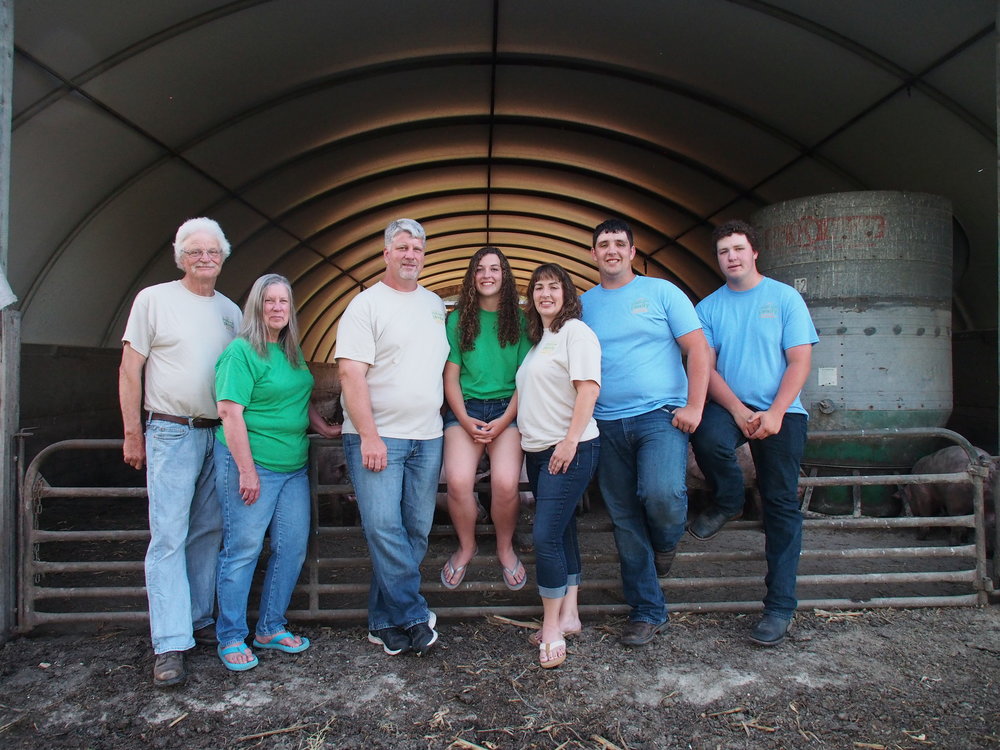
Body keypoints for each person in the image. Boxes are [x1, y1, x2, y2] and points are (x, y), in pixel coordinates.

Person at [119, 217, 242, 687]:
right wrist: (133, 432)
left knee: (208, 530)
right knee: (168, 535)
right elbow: (131, 368)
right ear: (180, 257)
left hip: (218, 434)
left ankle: (196, 619)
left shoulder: (230, 311)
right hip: (170, 430)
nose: (205, 258)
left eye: (212, 251)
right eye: (195, 252)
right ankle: (169, 644)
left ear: (223, 257)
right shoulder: (154, 300)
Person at [581, 218, 710, 647]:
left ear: (633, 252)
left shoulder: (663, 292)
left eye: (620, 243)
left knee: (663, 494)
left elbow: (697, 349)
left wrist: (695, 405)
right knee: (623, 518)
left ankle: (668, 541)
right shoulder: (583, 305)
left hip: (661, 415)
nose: (611, 250)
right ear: (594, 254)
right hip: (605, 421)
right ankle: (647, 609)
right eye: (604, 244)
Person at [688, 219, 817, 646]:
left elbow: (799, 361)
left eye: (738, 249)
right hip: (733, 405)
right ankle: (728, 499)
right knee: (706, 438)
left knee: (780, 505)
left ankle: (779, 607)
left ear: (754, 252)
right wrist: (739, 410)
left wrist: (776, 412)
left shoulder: (784, 298)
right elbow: (706, 368)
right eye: (724, 251)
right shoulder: (708, 308)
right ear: (718, 258)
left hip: (783, 408)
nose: (732, 257)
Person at [212, 274, 341, 671]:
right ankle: (231, 635)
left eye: (283, 301)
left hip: (292, 466)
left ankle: (270, 626)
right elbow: (229, 412)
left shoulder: (291, 352)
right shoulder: (240, 352)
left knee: (292, 547)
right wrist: (246, 471)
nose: (277, 308)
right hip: (254, 464)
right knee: (243, 550)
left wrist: (324, 429)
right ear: (256, 306)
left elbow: (298, 398)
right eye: (269, 301)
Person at [336, 218, 450, 657]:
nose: (410, 256)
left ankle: (383, 621)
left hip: (427, 436)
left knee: (416, 530)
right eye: (402, 247)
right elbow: (349, 373)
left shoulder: (434, 305)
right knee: (384, 527)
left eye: (417, 249)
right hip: (380, 437)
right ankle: (414, 616)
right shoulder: (365, 306)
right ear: (385, 253)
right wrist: (368, 436)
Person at [516, 263, 601, 669]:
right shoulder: (540, 339)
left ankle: (550, 627)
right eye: (538, 288)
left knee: (545, 535)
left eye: (553, 287)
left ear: (567, 293)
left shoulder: (576, 333)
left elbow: (588, 389)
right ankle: (570, 614)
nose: (545, 293)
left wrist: (569, 441)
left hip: (568, 449)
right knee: (563, 530)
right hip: (538, 449)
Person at [441, 247, 532, 591]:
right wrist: (463, 420)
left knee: (506, 483)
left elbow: (526, 377)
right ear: (472, 277)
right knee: (459, 482)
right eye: (480, 269)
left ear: (505, 275)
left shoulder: (522, 320)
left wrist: (507, 417)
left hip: (508, 409)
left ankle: (505, 548)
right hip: (466, 408)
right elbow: (450, 376)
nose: (488, 275)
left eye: (495, 269)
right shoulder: (457, 319)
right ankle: (467, 546)